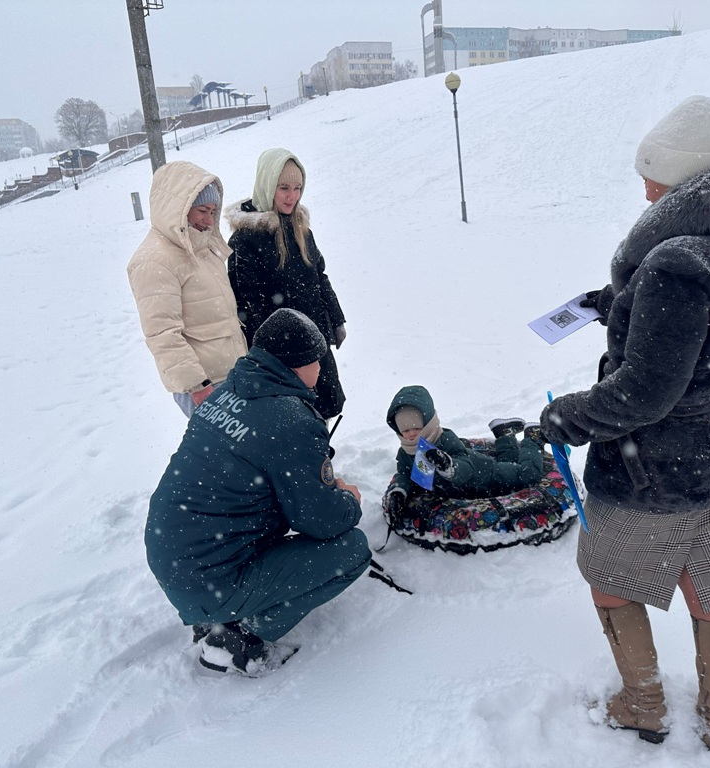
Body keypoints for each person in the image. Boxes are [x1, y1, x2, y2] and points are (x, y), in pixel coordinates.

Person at [540, 96, 710, 749]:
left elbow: (644, 393)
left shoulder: (676, 266)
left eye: (654, 174)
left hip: (657, 468)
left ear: (687, 182)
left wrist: (566, 417)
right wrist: (622, 305)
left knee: (606, 579)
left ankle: (644, 704)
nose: (643, 186)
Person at [144, 308, 371, 677]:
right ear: (297, 365)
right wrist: (348, 500)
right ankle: (238, 637)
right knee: (352, 550)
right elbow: (320, 521)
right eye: (317, 360)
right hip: (210, 576)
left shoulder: (226, 393)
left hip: (174, 559)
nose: (321, 368)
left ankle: (218, 612)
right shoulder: (289, 420)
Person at [224, 148, 347, 420]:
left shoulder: (302, 230)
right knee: (292, 417)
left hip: (314, 338)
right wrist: (272, 355)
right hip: (283, 353)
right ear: (268, 186)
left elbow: (320, 277)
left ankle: (320, 458)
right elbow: (248, 305)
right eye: (284, 188)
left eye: (297, 188)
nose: (292, 196)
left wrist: (335, 320)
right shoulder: (245, 241)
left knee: (322, 408)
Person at [127, 161, 247, 417]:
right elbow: (162, 334)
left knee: (245, 453)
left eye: (213, 212)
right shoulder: (154, 260)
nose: (209, 220)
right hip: (205, 384)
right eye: (202, 210)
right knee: (222, 454)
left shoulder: (202, 248)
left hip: (232, 372)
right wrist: (197, 385)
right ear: (179, 208)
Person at [382, 385, 545, 516]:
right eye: (405, 430)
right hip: (464, 490)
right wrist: (399, 491)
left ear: (427, 423)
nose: (411, 434)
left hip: (485, 476)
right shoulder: (405, 452)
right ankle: (504, 434)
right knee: (509, 464)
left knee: (527, 475)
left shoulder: (444, 439)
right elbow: (404, 474)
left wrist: (450, 467)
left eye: (416, 428)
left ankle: (533, 437)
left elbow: (465, 465)